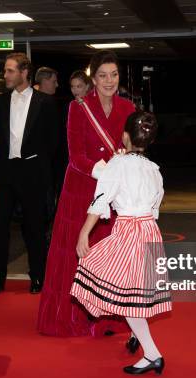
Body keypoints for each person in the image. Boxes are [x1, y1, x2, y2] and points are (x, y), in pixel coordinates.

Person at [37, 50, 136, 337]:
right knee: (79, 254)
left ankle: (107, 317)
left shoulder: (127, 108)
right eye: (103, 75)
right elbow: (75, 156)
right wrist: (104, 170)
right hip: (82, 190)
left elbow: (131, 147)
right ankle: (74, 315)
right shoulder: (78, 108)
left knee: (107, 256)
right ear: (93, 78)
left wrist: (126, 164)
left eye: (114, 75)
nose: (109, 81)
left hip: (114, 194)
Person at [70, 111, 170, 375]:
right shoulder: (154, 170)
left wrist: (84, 233)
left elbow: (101, 200)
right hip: (149, 230)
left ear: (125, 136)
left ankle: (152, 354)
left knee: (122, 293)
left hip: (129, 230)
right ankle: (143, 342)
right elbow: (156, 208)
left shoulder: (117, 164)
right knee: (132, 293)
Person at [0, 52, 59, 297]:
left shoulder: (45, 102)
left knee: (34, 229)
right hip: (6, 172)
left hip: (33, 172)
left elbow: (53, 143)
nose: (5, 75)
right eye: (5, 70)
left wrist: (45, 173)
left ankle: (38, 275)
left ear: (24, 72)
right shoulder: (1, 101)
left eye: (10, 71)